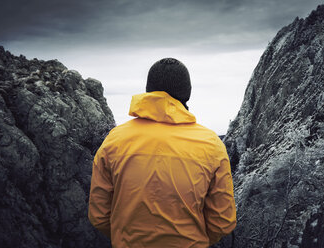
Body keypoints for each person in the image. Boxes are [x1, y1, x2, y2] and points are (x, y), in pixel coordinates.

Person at [88, 58, 236, 248]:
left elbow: (99, 215)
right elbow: (223, 221)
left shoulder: (114, 140)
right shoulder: (211, 144)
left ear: (149, 90)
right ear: (186, 94)